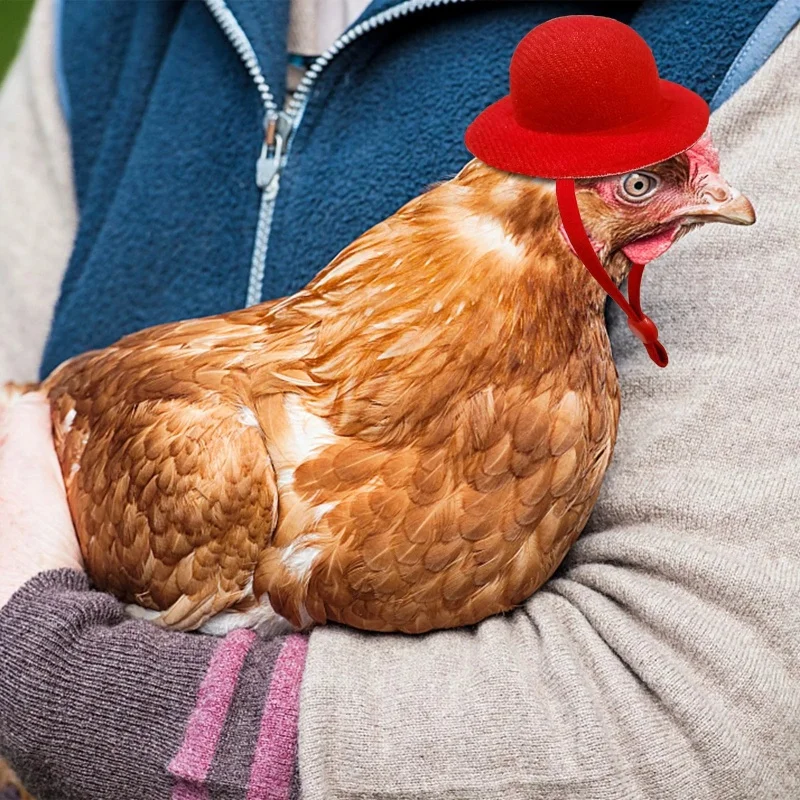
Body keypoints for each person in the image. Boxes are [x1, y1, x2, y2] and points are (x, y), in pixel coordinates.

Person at [1, 1, 799, 798]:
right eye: (636, 184)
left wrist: (46, 671)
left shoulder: (759, 35)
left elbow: (690, 722)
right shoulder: (95, 20)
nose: (728, 195)